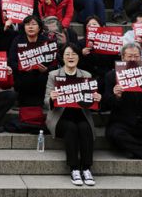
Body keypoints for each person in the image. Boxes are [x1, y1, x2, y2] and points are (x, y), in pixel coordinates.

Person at [45, 43, 100, 186]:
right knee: (71, 128)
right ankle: (74, 168)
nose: (71, 57)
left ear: (78, 57)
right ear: (62, 58)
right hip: (60, 118)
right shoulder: (54, 75)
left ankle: (86, 168)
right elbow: (45, 101)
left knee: (84, 128)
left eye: (74, 54)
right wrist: (52, 97)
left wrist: (96, 99)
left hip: (81, 116)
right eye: (67, 54)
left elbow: (91, 103)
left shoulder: (86, 75)